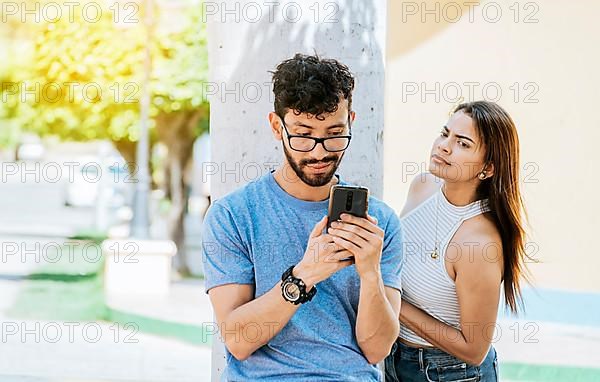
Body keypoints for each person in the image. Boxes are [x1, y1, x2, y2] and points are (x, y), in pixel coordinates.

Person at [200, 53, 404, 381]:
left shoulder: (380, 223)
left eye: (335, 133)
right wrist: (305, 275)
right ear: (276, 127)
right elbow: (238, 341)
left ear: (351, 120)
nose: (320, 151)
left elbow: (376, 350)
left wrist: (370, 273)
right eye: (304, 134)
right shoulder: (233, 216)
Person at [385, 101, 529, 382]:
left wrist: (391, 300)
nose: (444, 146)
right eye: (445, 133)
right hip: (393, 357)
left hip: (449, 372)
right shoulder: (423, 186)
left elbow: (474, 349)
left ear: (487, 168)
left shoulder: (478, 243)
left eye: (462, 144)